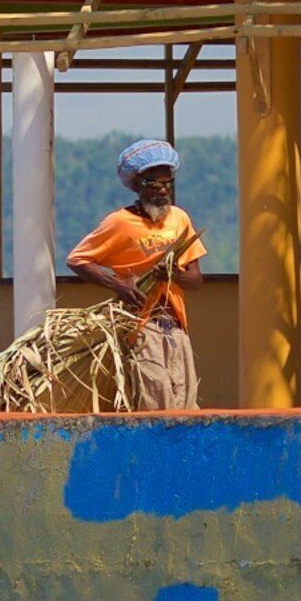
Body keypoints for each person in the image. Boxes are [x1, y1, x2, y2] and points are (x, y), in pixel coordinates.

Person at [68, 138, 206, 410]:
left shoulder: (179, 219)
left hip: (176, 325)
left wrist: (173, 275)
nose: (162, 190)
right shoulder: (119, 223)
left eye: (167, 183)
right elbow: (78, 259)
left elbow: (196, 280)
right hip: (142, 326)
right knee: (155, 400)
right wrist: (117, 285)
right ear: (137, 185)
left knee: (184, 402)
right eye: (154, 184)